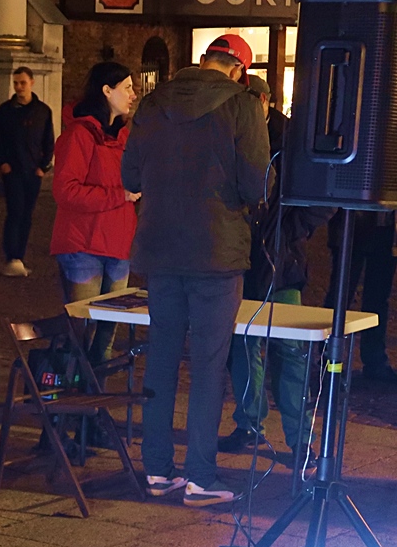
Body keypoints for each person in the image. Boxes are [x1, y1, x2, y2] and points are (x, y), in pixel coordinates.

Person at [122, 34, 269, 507]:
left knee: (162, 358)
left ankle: (157, 470)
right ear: (238, 70)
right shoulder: (242, 106)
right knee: (208, 365)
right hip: (216, 252)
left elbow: (129, 176)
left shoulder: (152, 104)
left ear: (203, 60)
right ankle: (200, 478)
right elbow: (256, 184)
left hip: (160, 250)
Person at [219, 75, 336, 470]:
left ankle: (301, 439)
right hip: (241, 260)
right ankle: (249, 423)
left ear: (264, 102)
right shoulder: (230, 136)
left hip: (282, 263)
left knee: (290, 351)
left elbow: (324, 200)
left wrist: (289, 230)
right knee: (243, 345)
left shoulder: (292, 143)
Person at [49, 62, 140, 366]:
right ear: (106, 91)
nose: (133, 94)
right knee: (81, 330)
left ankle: (96, 393)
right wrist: (119, 195)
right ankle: (70, 390)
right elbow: (66, 191)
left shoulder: (125, 138)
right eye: (127, 87)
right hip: (83, 246)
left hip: (118, 246)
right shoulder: (79, 135)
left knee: (107, 335)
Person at [0, 66, 55, 278]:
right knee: (15, 211)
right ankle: (12, 256)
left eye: (22, 83)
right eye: (16, 83)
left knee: (27, 214)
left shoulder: (43, 111)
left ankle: (19, 255)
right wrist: (2, 162)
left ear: (31, 83)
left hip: (32, 171)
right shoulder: (4, 111)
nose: (19, 87)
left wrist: (43, 166)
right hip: (12, 170)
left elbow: (48, 140)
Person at [323, 208, 397, 382]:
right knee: (341, 296)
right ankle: (330, 358)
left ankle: (374, 359)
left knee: (376, 299)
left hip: (384, 228)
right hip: (353, 223)